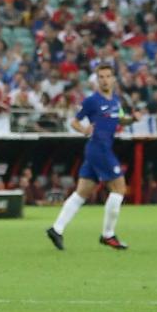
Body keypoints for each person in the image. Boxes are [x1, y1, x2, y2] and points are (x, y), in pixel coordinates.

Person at [46, 64, 137, 251]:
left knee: (82, 193)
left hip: (99, 150)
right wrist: (83, 129)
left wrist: (132, 119)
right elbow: (74, 121)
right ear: (97, 80)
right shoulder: (92, 101)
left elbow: (119, 119)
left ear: (113, 79)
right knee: (119, 189)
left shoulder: (115, 101)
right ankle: (108, 235)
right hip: (99, 149)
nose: (105, 80)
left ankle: (56, 229)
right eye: (101, 76)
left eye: (108, 76)